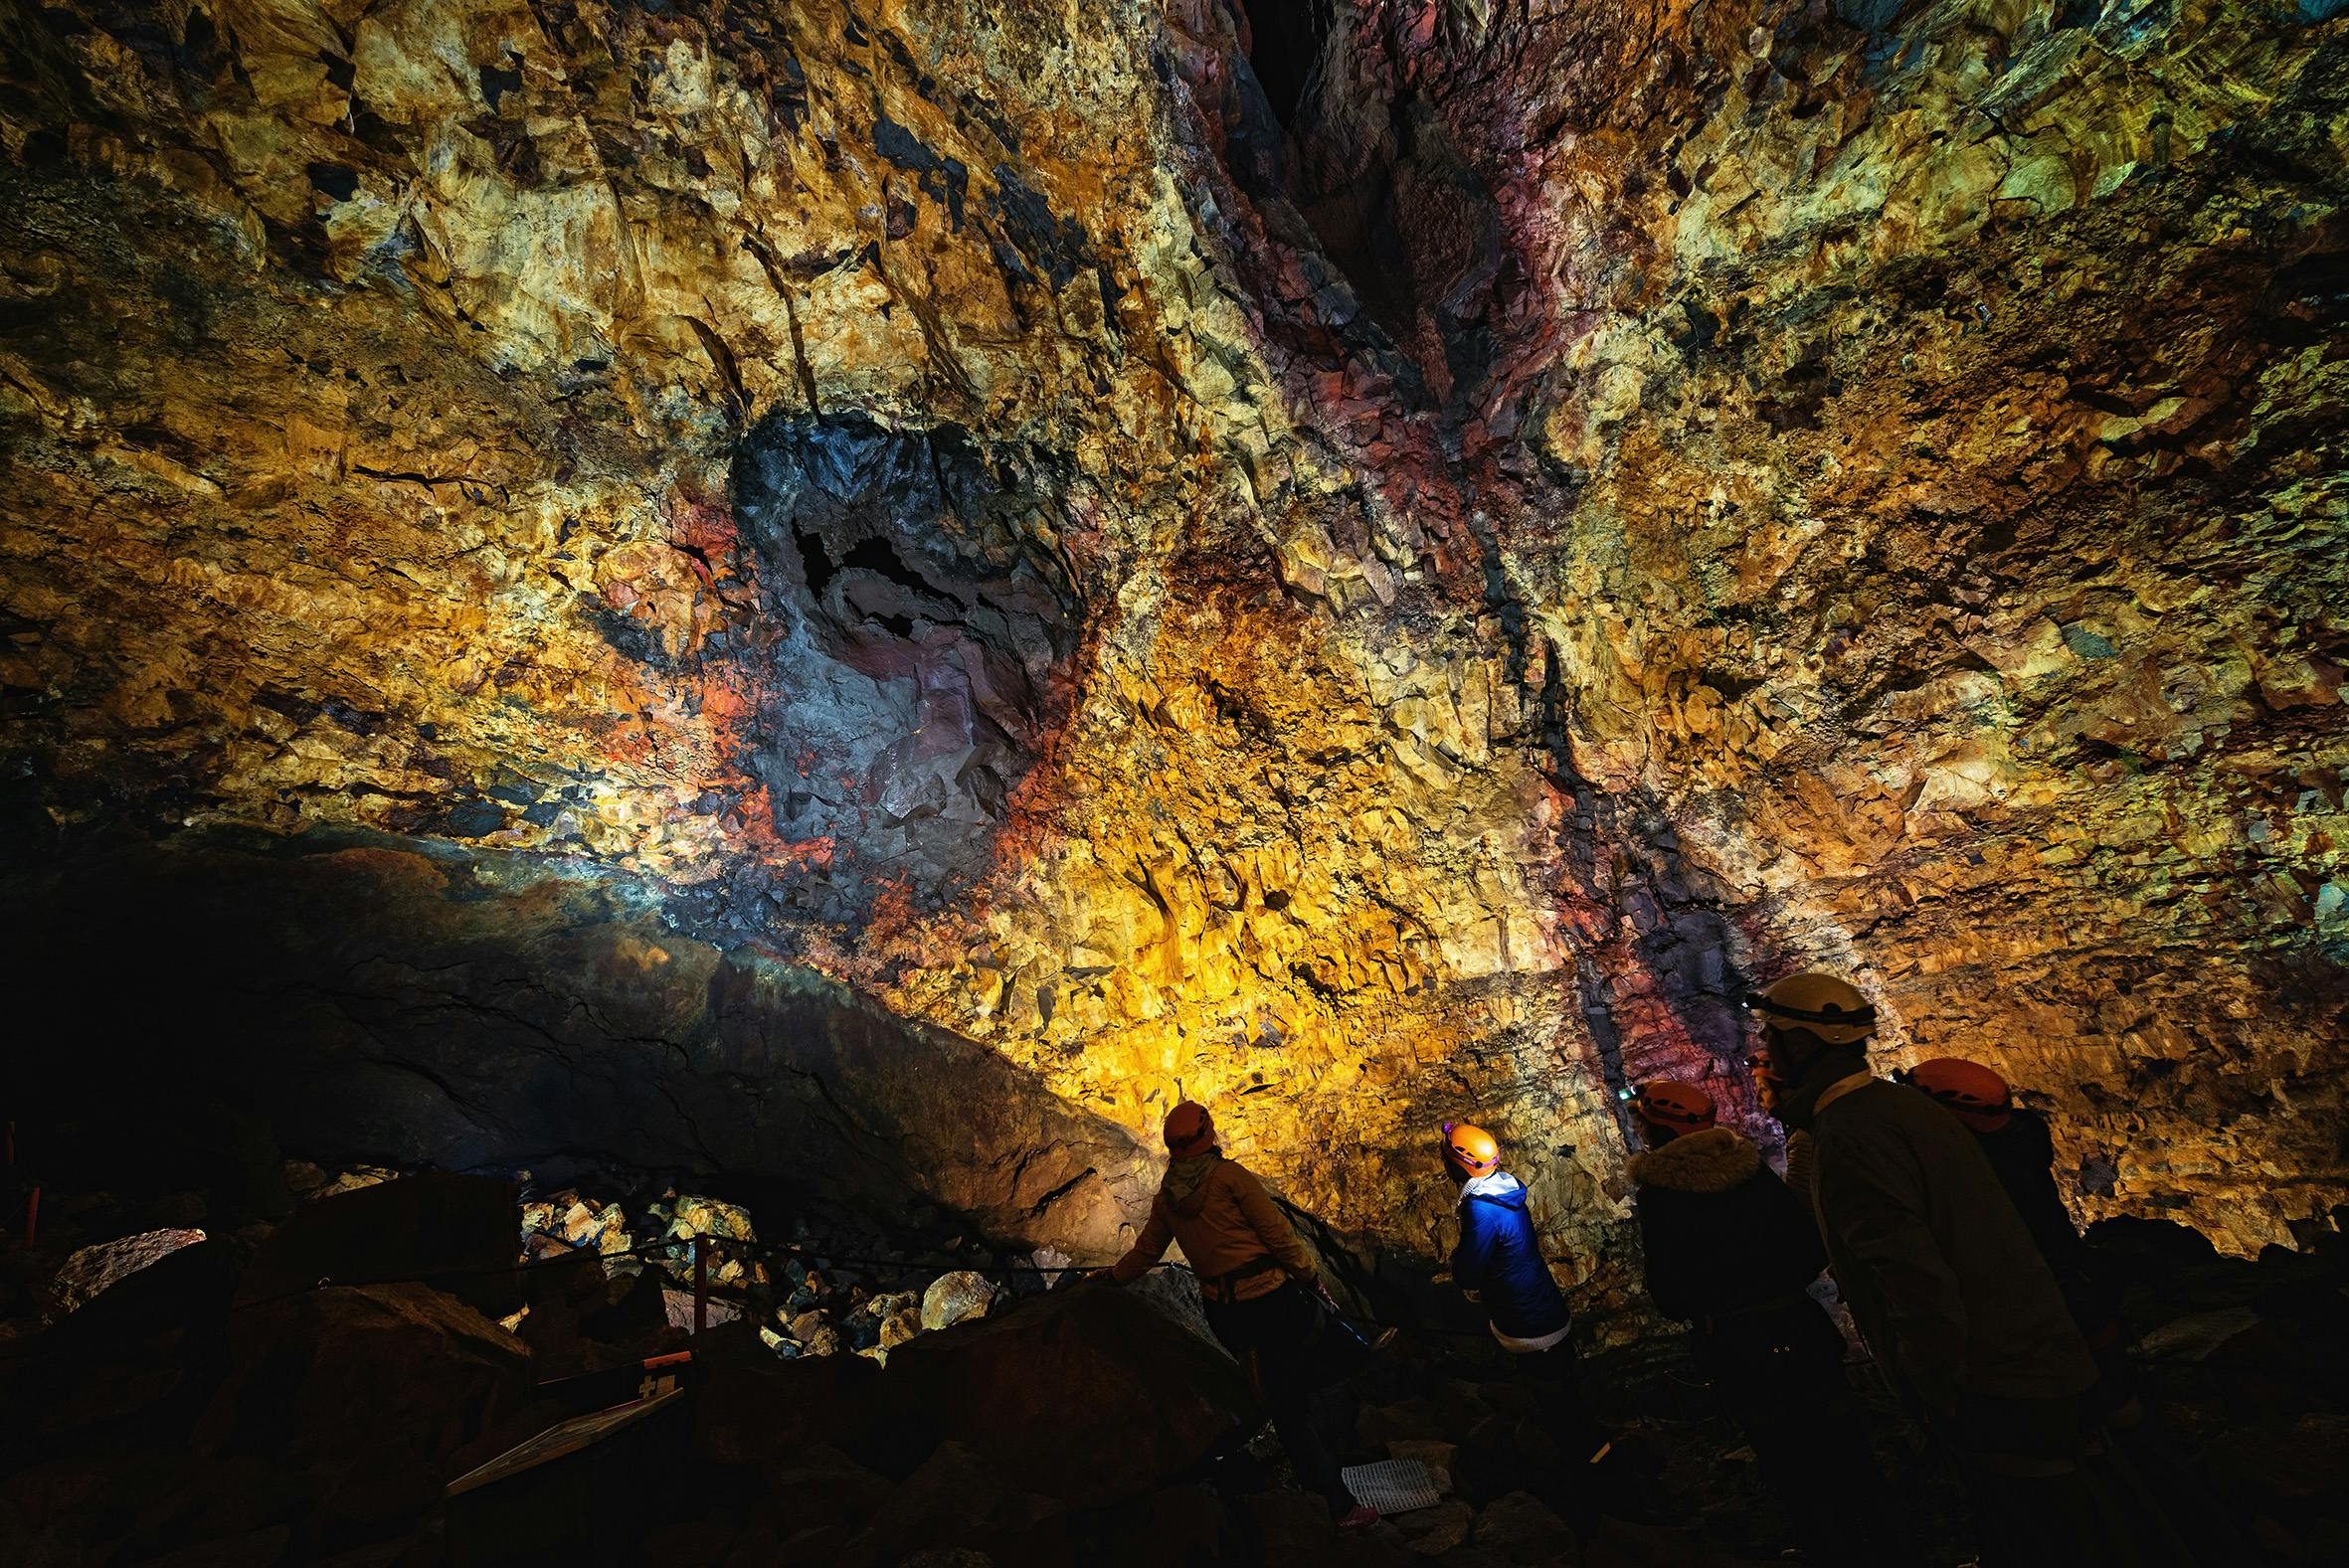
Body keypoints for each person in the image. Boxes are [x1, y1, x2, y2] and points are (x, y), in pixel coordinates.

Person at [1749, 972, 2109, 1568]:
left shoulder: (1852, 1134)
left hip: (1992, 1375)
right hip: (2034, 1354)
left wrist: (1936, 1387)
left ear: (1805, 1045)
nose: (1765, 1054)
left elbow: (1911, 1274)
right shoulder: (1899, 1107)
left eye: (1773, 1038)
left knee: (2034, 1527)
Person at [1627, 1081, 1896, 1565]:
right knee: (1848, 1452)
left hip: (1737, 1349)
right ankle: (1892, 1547)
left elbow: (1669, 1292)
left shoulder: (1661, 1197)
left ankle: (1830, 1549)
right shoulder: (1752, 1172)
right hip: (1801, 1328)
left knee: (1788, 1463)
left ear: (1654, 1126)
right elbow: (1807, 1246)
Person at [1107, 1101, 1375, 1529]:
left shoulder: (1169, 1196)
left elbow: (1146, 1252)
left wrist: (1111, 1280)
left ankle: (1313, 1455)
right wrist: (1309, 1277)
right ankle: (1337, 1502)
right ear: (1207, 1135)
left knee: (1275, 1388)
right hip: (1273, 1302)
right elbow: (1278, 1234)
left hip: (1226, 1313)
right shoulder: (1229, 1178)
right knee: (1304, 1386)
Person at [1441, 1120, 1612, 1538]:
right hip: (1545, 1303)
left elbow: (1469, 1268)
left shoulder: (1482, 1209)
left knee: (1553, 1402)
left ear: (1460, 1164)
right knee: (1569, 1390)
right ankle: (1600, 1457)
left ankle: (1588, 1488)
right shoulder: (1507, 1187)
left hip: (1524, 1319)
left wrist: (1461, 1272)